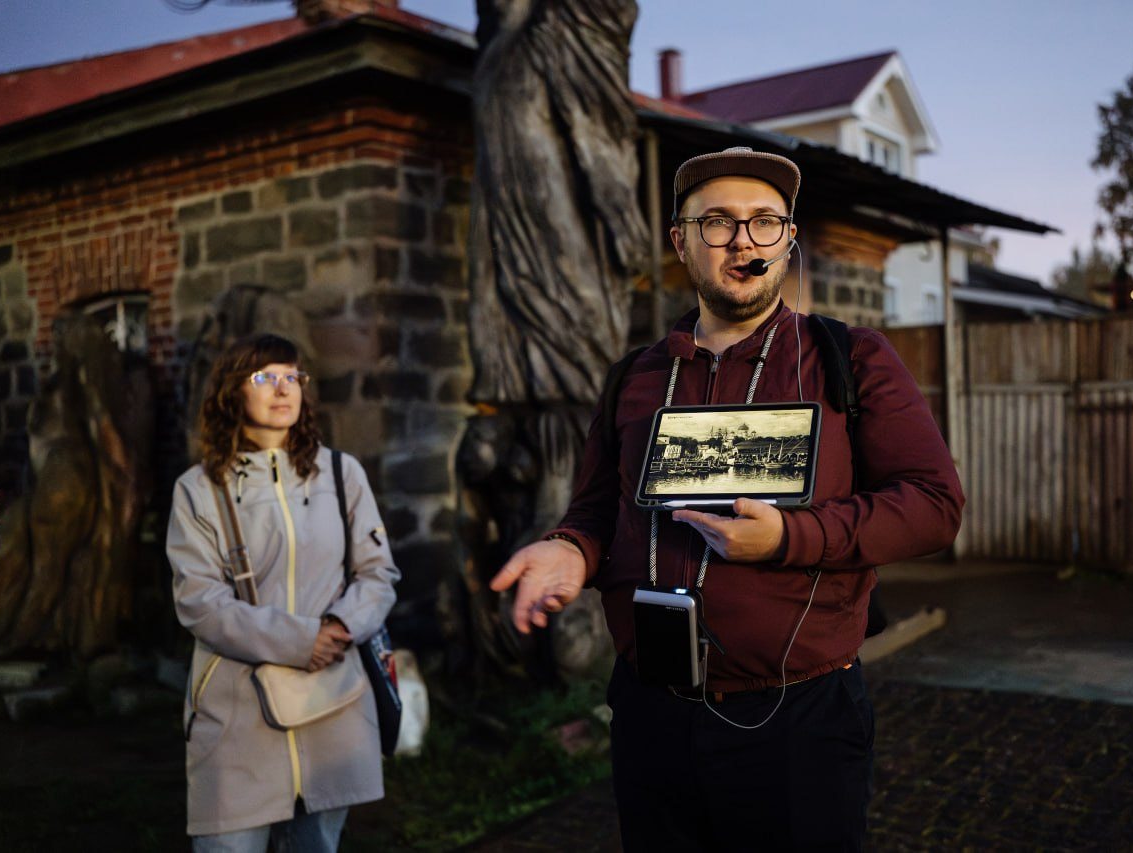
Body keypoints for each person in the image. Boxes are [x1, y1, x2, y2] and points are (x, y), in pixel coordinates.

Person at [491, 146, 964, 851]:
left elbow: (933, 504)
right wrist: (569, 551)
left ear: (788, 240)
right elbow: (596, 510)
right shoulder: (634, 378)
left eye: (764, 221)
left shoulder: (850, 357)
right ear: (682, 242)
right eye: (717, 222)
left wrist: (788, 538)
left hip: (798, 720)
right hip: (654, 714)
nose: (743, 240)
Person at [167, 334, 399, 852]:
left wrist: (336, 629)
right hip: (237, 715)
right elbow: (200, 602)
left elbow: (377, 573)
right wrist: (300, 640)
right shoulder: (199, 489)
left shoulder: (341, 474)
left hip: (332, 703)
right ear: (233, 393)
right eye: (264, 377)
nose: (282, 389)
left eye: (292, 377)